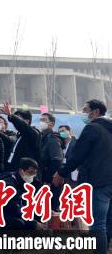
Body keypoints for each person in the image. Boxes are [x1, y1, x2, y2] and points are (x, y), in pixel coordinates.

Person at [53, 100, 112, 254]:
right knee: (109, 220)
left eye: (85, 110)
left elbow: (78, 155)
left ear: (96, 112)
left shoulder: (92, 128)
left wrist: (61, 172)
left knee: (98, 223)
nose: (83, 113)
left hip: (99, 180)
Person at [0, 157, 40, 232]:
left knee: (29, 223)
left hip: (1, 213)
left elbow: (23, 205)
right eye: (30, 172)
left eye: (34, 173)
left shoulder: (20, 182)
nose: (32, 176)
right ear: (21, 171)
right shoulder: (9, 184)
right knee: (20, 224)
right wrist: (33, 222)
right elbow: (12, 208)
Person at [2, 104, 41, 172]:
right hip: (12, 170)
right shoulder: (19, 135)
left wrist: (11, 116)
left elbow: (22, 125)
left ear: (27, 120)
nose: (15, 123)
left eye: (19, 118)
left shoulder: (33, 133)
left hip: (26, 171)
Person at [37, 112, 63, 209]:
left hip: (50, 181)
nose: (41, 122)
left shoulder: (52, 139)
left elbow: (56, 161)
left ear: (51, 124)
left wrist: (48, 180)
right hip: (42, 178)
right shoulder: (42, 138)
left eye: (44, 120)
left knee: (50, 209)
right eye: (41, 120)